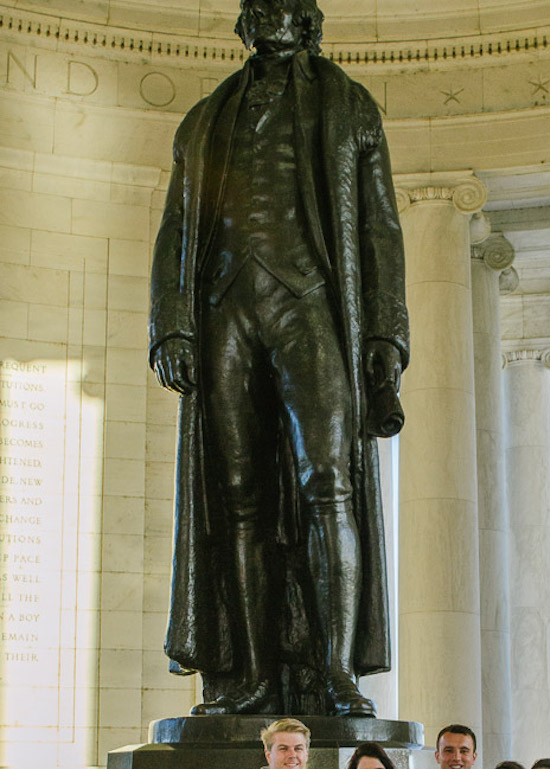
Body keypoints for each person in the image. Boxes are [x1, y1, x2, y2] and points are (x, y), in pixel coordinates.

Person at [149, 0, 409, 718]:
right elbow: (176, 227)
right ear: (243, 22)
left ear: (309, 19)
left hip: (313, 303)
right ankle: (253, 677)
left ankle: (332, 671)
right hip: (225, 307)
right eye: (257, 4)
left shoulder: (347, 104)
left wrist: (387, 332)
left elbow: (381, 226)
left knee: (329, 481)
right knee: (237, 499)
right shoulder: (204, 119)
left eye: (285, 3)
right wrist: (170, 321)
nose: (270, 13)